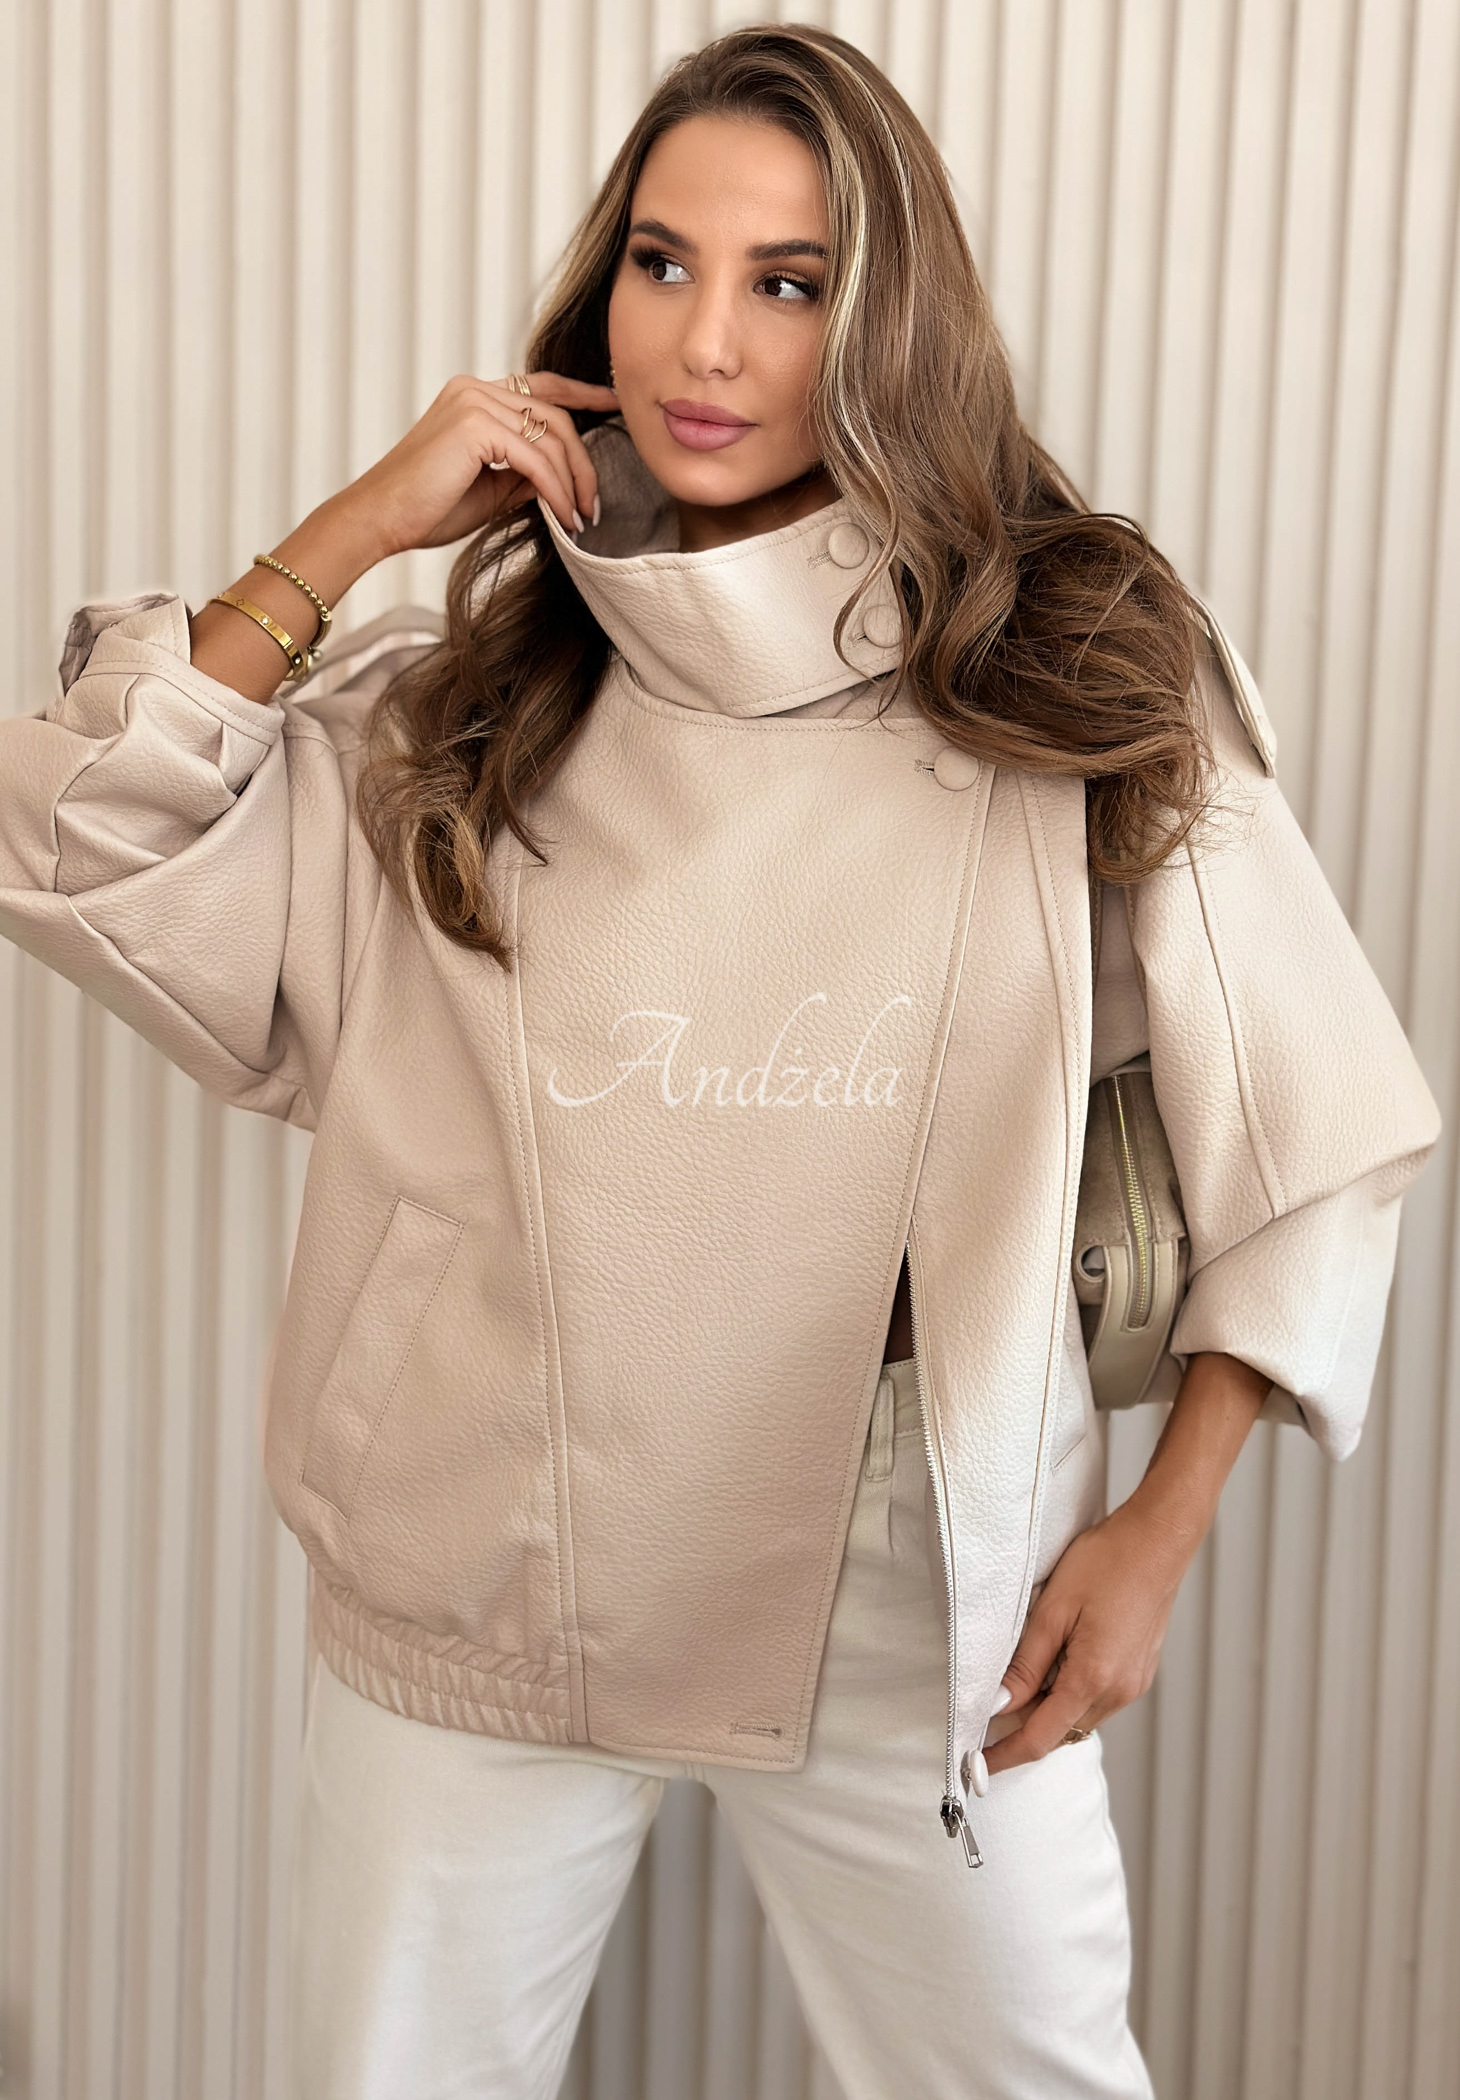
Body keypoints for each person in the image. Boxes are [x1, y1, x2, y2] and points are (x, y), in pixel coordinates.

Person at [0, 23, 1439, 2100]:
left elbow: (1313, 1117)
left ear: (888, 321)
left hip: (918, 1577)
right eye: (663, 263)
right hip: (483, 1545)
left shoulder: (1068, 667)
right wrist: (362, 523)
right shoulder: (474, 691)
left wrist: (1159, 1534)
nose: (706, 342)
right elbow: (86, 836)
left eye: (790, 282)